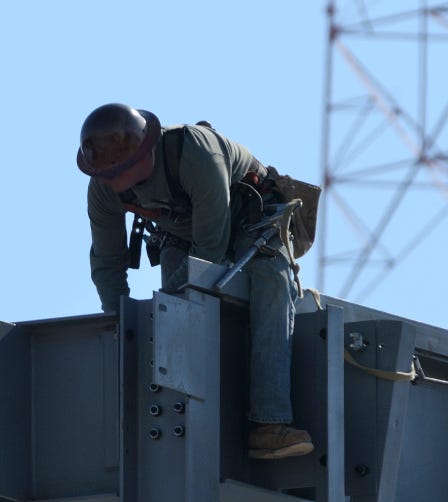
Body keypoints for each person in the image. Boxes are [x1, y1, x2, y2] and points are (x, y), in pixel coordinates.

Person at [76, 102, 313, 460]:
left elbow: (209, 253)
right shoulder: (103, 190)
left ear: (142, 156)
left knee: (269, 286)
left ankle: (269, 423)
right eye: (105, 175)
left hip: (250, 218)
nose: (110, 181)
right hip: (183, 234)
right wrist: (122, 321)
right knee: (175, 306)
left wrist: (162, 310)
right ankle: (179, 416)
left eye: (117, 171)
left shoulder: (194, 153)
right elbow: (108, 265)